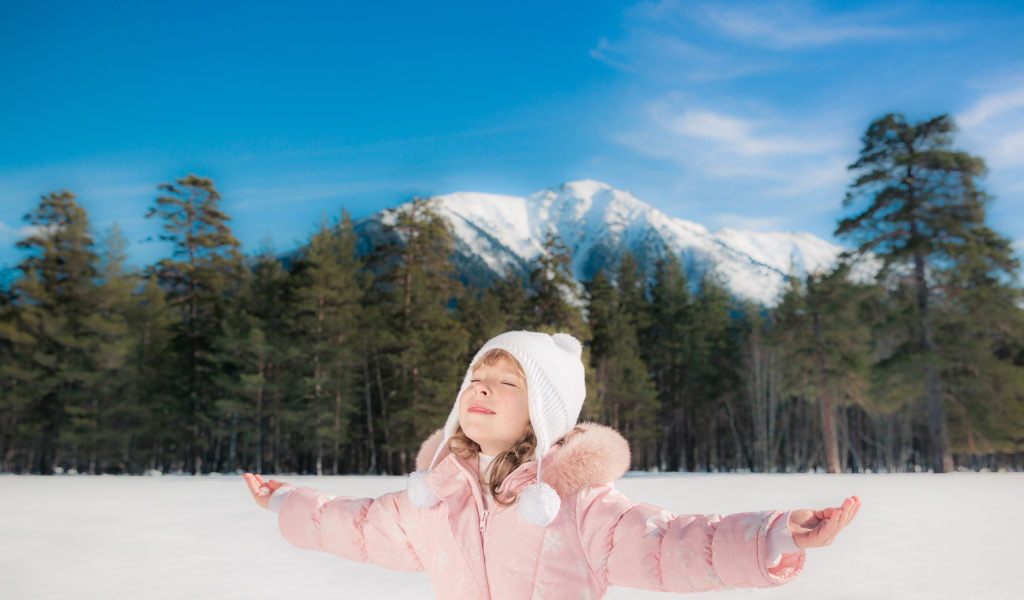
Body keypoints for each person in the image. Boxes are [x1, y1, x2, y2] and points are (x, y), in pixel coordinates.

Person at [244, 331, 861, 599]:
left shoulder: (579, 505)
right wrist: (282, 499)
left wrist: (777, 534)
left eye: (506, 382)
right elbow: (353, 524)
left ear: (543, 413)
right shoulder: (435, 497)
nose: (481, 389)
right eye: (476, 378)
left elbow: (674, 545)